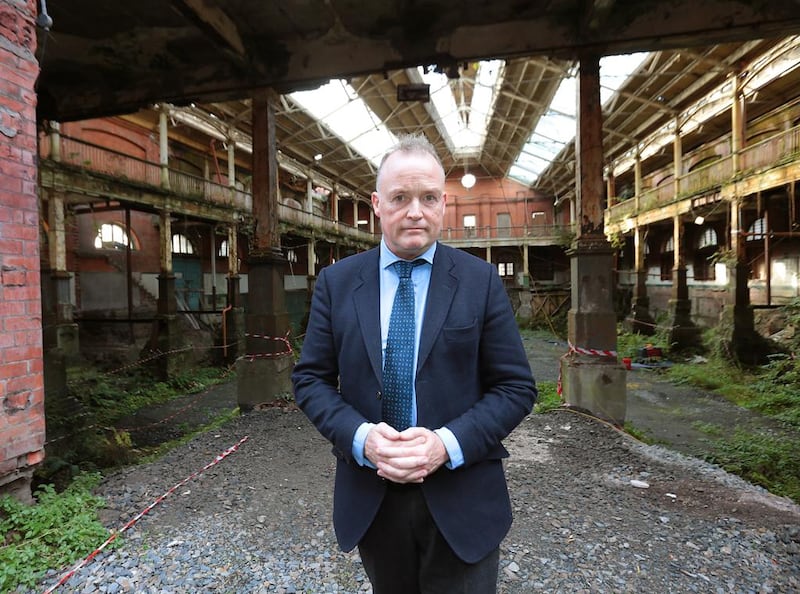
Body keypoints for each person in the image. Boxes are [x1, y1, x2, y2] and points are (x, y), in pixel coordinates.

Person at [291, 133, 537, 593]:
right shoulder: (337, 283)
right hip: (374, 498)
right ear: (377, 204)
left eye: (427, 198)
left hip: (462, 497)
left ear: (443, 202)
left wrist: (445, 444)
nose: (415, 212)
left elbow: (515, 388)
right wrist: (363, 439)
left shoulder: (479, 281)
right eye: (400, 198)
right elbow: (311, 380)